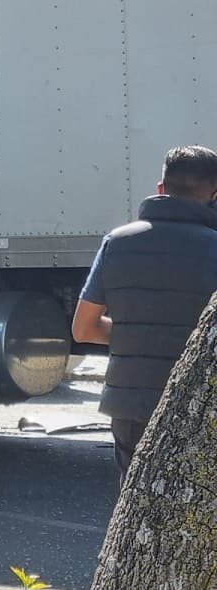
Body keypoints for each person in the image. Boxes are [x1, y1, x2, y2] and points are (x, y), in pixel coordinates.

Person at [72, 145, 217, 486]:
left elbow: (83, 328)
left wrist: (136, 333)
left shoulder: (116, 243)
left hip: (131, 405)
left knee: (136, 502)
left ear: (161, 189)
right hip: (201, 404)